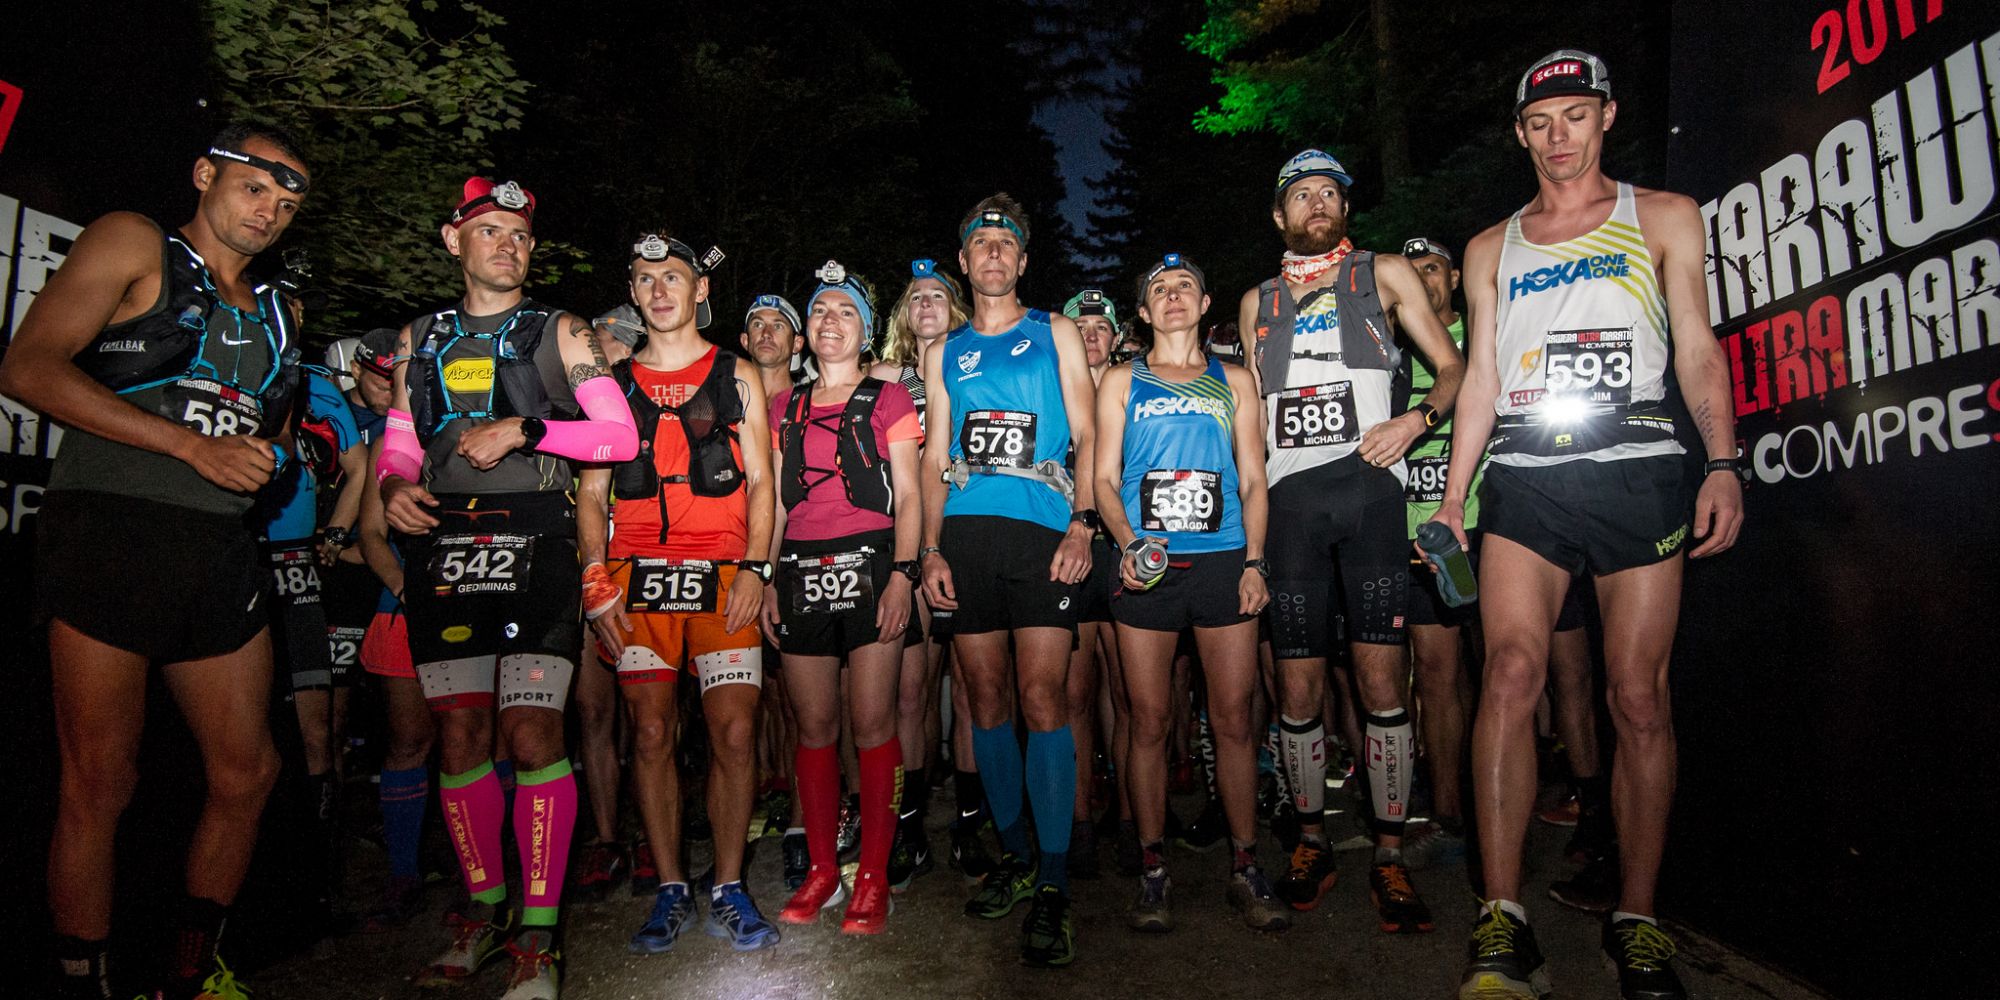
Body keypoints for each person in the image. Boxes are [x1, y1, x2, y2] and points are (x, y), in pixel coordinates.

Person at [1441, 51, 1744, 1000]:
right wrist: (1451, 499)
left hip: (1639, 469)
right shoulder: (1489, 247)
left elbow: (1696, 345)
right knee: (1510, 674)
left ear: (1606, 116)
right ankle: (1502, 920)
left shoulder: (1664, 215)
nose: (1558, 136)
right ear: (1520, 134)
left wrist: (1723, 461)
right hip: (1527, 475)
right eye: (1540, 122)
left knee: (1637, 697)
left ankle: (1638, 920)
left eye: (1575, 115)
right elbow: (1481, 381)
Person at [2, 123, 310, 1000]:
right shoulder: (136, 241)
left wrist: (277, 457)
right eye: (255, 187)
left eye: (288, 203)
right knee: (102, 781)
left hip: (217, 547)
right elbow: (27, 368)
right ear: (206, 173)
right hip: (113, 530)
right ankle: (84, 980)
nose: (269, 211)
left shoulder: (281, 309)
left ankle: (190, 973)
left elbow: (273, 434)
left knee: (248, 771)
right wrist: (187, 446)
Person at [380, 177, 639, 999]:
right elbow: (400, 438)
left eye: (521, 235)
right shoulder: (419, 337)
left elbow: (619, 435)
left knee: (531, 736)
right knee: (459, 740)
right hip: (445, 546)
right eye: (490, 231)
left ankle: (539, 934)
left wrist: (528, 427)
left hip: (537, 543)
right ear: (453, 240)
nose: (508, 246)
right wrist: (392, 486)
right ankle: (485, 912)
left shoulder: (561, 330)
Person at [1239, 149, 1465, 932]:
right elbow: (1253, 414)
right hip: (1291, 507)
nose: (1317, 203)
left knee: (1380, 685)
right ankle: (1312, 841)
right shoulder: (1258, 299)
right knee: (1298, 691)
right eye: (1302, 194)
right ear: (1280, 215)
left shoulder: (1384, 272)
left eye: (1330, 192)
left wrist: (1415, 421)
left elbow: (1453, 369)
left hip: (1370, 494)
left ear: (1345, 207)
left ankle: (1390, 853)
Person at [576, 232, 781, 955]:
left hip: (724, 577)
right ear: (633, 293)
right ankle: (669, 886)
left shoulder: (738, 374)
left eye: (672, 277)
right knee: (650, 733)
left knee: (734, 733)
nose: (659, 290)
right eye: (644, 279)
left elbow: (763, 483)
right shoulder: (610, 385)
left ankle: (728, 884)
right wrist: (595, 581)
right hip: (637, 582)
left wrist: (756, 569)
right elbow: (591, 491)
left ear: (701, 289)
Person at [919, 193, 1097, 967]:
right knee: (984, 699)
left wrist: (1084, 523)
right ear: (964, 262)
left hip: (1043, 532)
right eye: (980, 243)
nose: (993, 253)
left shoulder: (1055, 330)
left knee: (1042, 697)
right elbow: (934, 457)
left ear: (1022, 261)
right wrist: (929, 550)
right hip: (966, 533)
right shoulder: (943, 350)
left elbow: (1088, 431)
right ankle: (1018, 855)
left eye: (1006, 244)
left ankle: (1054, 881)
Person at [1093, 254, 1282, 933]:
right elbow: (1103, 480)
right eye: (1159, 289)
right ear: (1144, 312)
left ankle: (1245, 863)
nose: (1172, 295)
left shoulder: (1235, 380)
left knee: (1233, 720)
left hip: (1223, 560)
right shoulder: (1122, 379)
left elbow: (1254, 479)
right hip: (1148, 566)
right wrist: (1127, 544)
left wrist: (1255, 562)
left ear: (1205, 305)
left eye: (1185, 287)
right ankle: (1153, 868)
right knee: (1148, 720)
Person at [765, 261, 923, 934]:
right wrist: (765, 577)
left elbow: (910, 495)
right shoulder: (783, 406)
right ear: (808, 330)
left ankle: (875, 875)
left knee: (873, 724)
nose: (831, 321)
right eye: (820, 310)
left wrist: (903, 575)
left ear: (866, 330)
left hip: (872, 562)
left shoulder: (889, 399)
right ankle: (823, 868)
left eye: (846, 311)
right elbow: (777, 502)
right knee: (814, 727)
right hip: (801, 567)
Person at [870, 260, 993, 886]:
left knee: (972, 690)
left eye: (938, 295)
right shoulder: (880, 378)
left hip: (962, 534)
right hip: (903, 541)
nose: (926, 304)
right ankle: (910, 826)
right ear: (903, 314)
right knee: (910, 693)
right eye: (915, 296)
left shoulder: (977, 367)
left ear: (957, 308)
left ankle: (970, 825)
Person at [256, 350, 367, 939]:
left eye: (298, 307)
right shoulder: (224, 362)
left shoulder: (318, 383)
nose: (289, 311)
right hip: (235, 554)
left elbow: (359, 464)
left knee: (317, 735)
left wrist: (337, 532)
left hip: (296, 561)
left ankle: (316, 888)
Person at [1060, 287, 1129, 879]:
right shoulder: (1054, 393)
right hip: (1073, 552)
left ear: (1117, 337)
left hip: (1126, 553)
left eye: (1099, 326)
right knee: (1075, 694)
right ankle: (1078, 820)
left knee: (1131, 694)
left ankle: (1134, 816)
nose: (1089, 335)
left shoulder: (1137, 389)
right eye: (1078, 326)